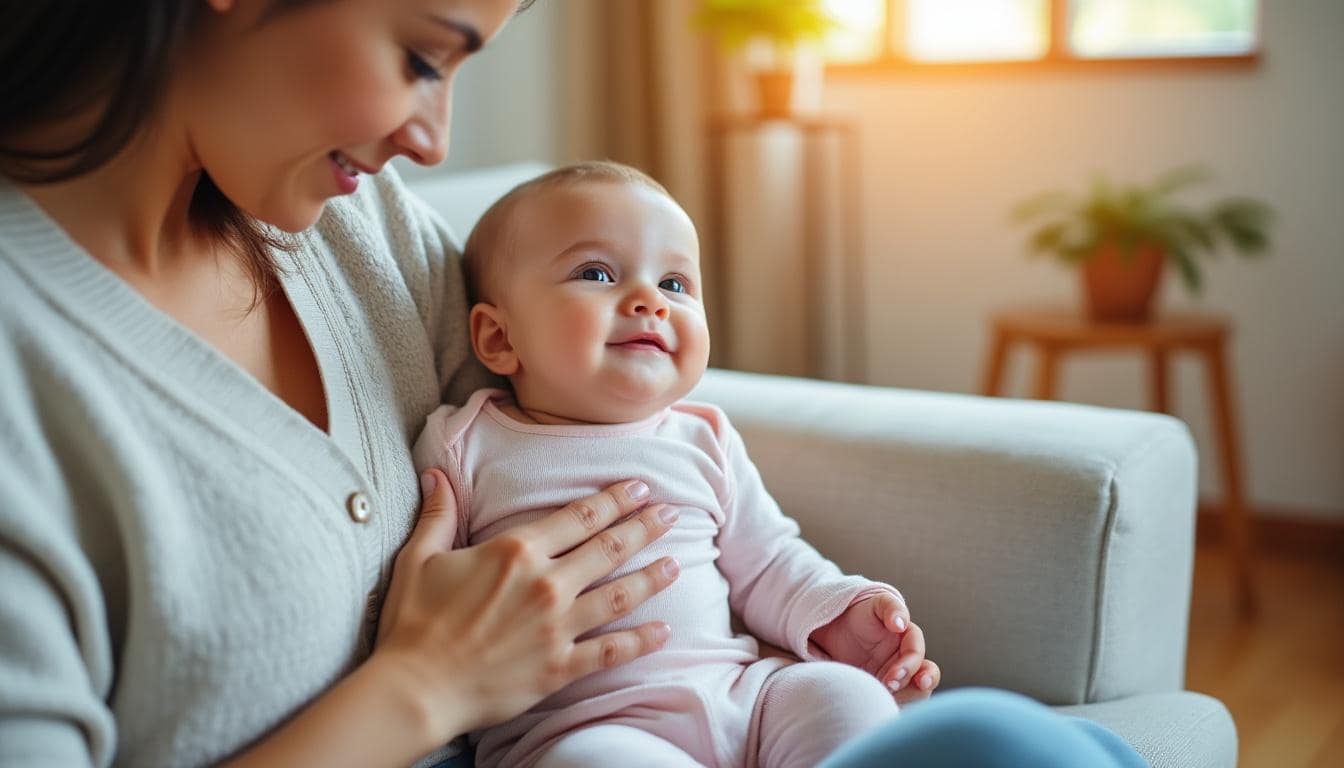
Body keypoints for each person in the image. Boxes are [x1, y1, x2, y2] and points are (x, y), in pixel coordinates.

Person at [0, 2, 1148, 767]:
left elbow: (615, 421)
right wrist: (421, 687)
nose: (436, 141)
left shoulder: (352, 227)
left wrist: (828, 615)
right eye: (421, 54)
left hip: (733, 699)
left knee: (1009, 742)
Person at [412, 161, 939, 768]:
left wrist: (837, 614)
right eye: (597, 273)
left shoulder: (703, 435)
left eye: (675, 284)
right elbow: (436, 589)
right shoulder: (465, 443)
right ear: (499, 338)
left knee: (845, 696)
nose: (649, 301)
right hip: (583, 727)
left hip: (743, 695)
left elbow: (768, 562)